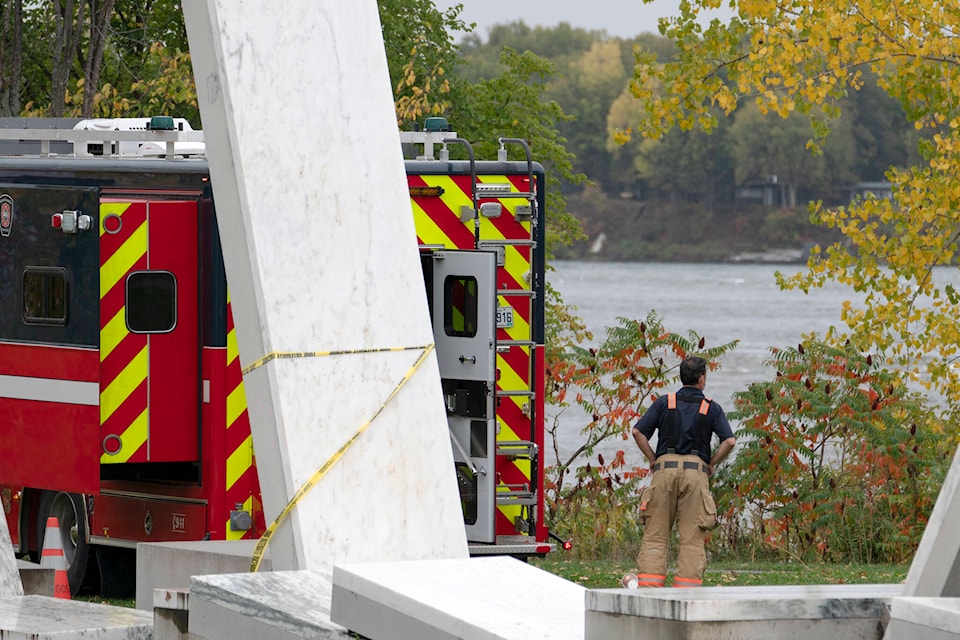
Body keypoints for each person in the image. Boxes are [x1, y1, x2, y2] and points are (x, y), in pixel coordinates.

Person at [630, 355, 736, 588]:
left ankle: (648, 586)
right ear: (702, 379)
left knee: (656, 534)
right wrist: (711, 462)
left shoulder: (663, 402)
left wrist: (653, 458)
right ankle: (686, 590)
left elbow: (638, 432)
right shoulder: (711, 407)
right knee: (691, 538)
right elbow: (729, 441)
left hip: (664, 471)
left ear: (681, 377)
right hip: (695, 473)